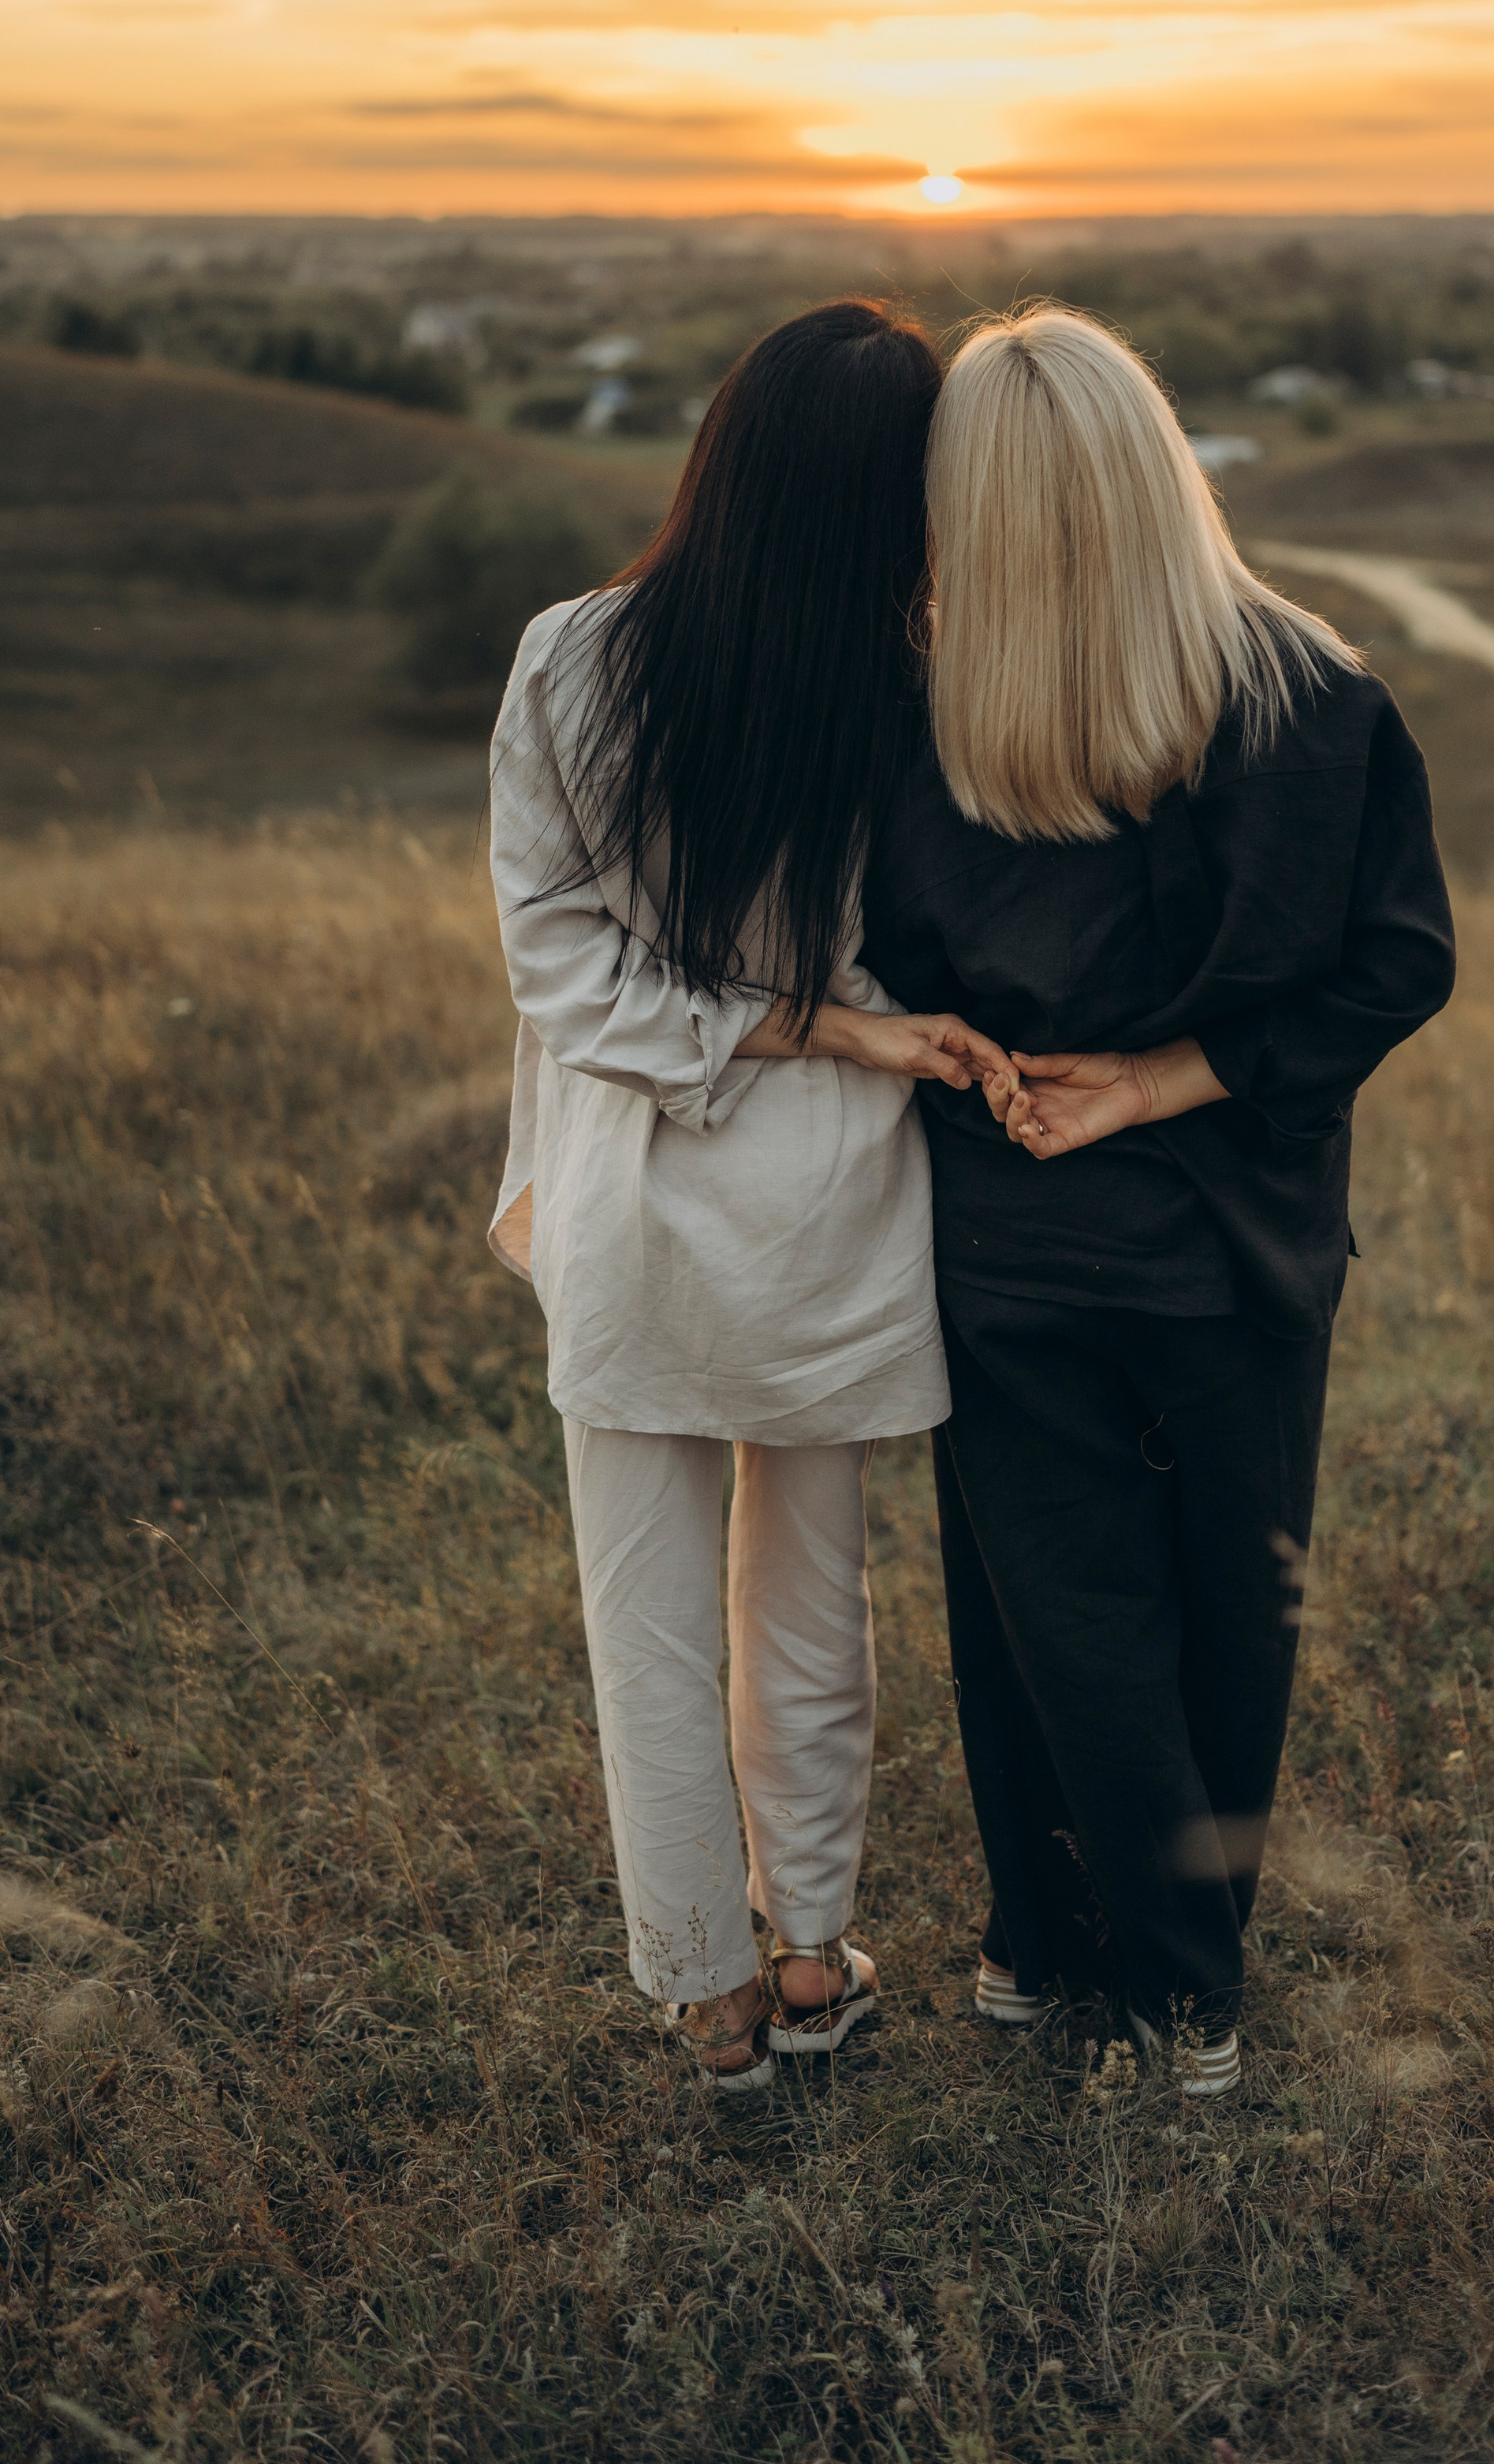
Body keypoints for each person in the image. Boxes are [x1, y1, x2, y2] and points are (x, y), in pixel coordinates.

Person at [860, 306, 1455, 2096]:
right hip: (1237, 1238)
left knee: (1048, 1615)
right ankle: (1167, 1993)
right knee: (1225, 1618)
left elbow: (892, 966)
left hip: (1011, 1224)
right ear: (1159, 469)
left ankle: (1064, 1953)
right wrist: (1170, 1076)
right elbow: (1396, 966)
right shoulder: (1317, 701)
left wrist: (1053, 1071)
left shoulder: (927, 716)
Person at [487, 300, 1005, 2091]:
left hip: (633, 1182)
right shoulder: (910, 693)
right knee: (808, 1598)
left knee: (641, 1612)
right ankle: (807, 1957)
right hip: (826, 1203)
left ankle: (709, 2000)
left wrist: (752, 1023)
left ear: (726, 450)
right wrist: (838, 1030)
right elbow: (921, 962)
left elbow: (555, 962)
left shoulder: (572, 657)